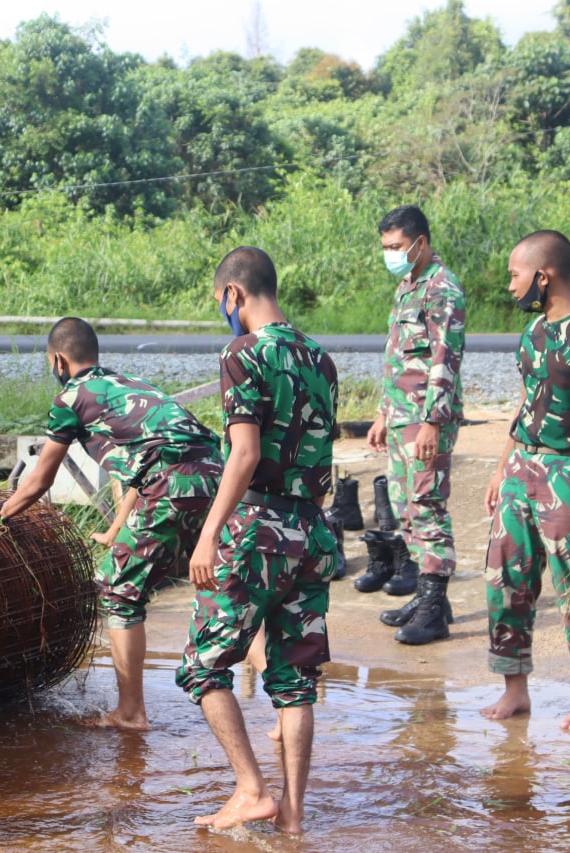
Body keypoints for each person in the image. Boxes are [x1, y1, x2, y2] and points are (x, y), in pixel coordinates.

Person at [0, 317, 223, 731]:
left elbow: (39, 479)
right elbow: (144, 466)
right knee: (227, 583)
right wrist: (119, 528)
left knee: (120, 593)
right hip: (216, 478)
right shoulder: (131, 385)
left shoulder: (71, 398)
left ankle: (130, 713)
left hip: (171, 484)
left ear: (59, 360)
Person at [176, 246, 339, 835]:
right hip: (312, 531)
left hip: (256, 529)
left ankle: (251, 789)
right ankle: (293, 817)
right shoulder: (319, 358)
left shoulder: (243, 353)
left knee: (202, 665)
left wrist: (209, 533)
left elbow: (244, 454)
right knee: (296, 679)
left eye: (221, 303)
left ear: (233, 295)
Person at [479, 230, 570, 732]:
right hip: (523, 468)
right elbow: (527, 403)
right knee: (507, 578)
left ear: (543, 276)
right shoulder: (534, 334)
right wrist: (503, 467)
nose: (510, 286)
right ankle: (515, 690)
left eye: (515, 276)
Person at [363, 205, 466, 645]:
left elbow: (445, 360)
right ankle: (430, 600)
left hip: (426, 419)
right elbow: (399, 357)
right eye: (386, 247)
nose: (391, 254)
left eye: (397, 247)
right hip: (402, 416)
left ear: (420, 243)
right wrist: (384, 413)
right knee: (406, 506)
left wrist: (432, 422)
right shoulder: (408, 286)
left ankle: (432, 611)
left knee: (426, 507)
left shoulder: (443, 289)